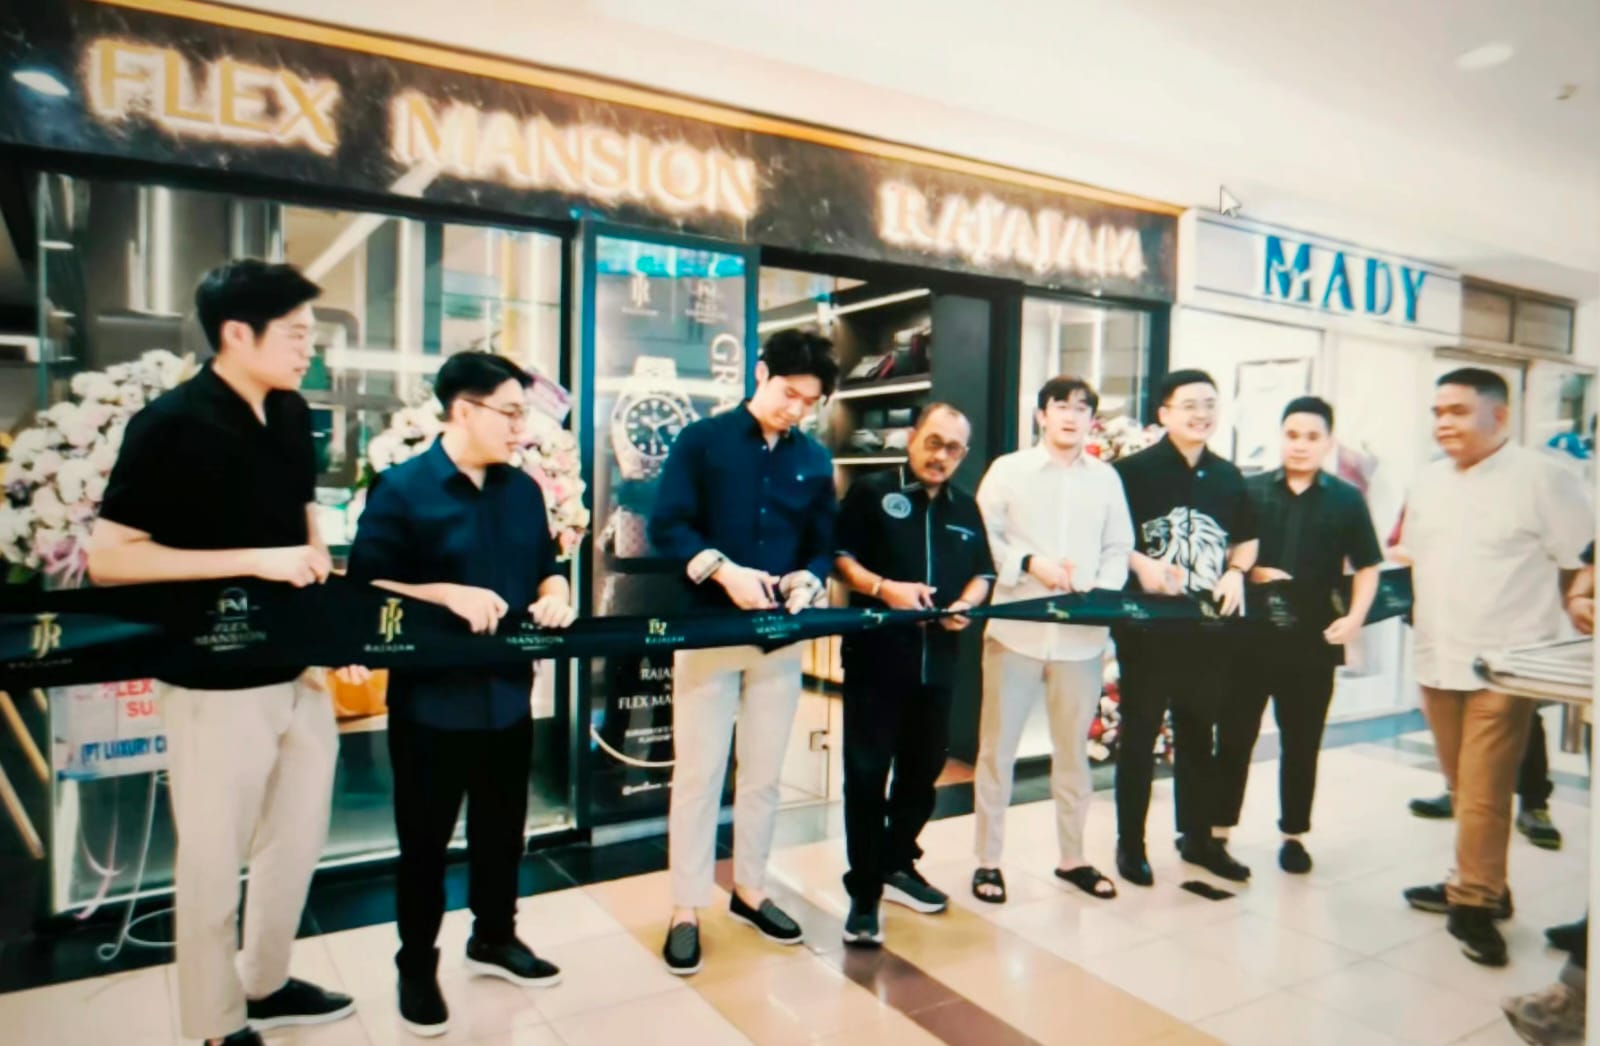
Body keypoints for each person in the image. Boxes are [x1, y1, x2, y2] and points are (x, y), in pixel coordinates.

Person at [87, 260, 355, 1046]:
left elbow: (307, 524)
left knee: (295, 843)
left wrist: (329, 627)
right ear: (238, 333)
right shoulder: (169, 424)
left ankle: (266, 982)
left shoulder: (292, 412)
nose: (310, 349)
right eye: (296, 334)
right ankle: (215, 1022)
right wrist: (254, 561)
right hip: (212, 678)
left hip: (298, 667)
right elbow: (111, 558)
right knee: (212, 860)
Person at [347, 352, 577, 1036]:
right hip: (431, 703)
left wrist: (557, 592)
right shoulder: (401, 489)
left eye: (523, 413)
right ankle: (416, 964)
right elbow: (366, 585)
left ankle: (495, 936)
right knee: (424, 843)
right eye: (510, 412)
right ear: (464, 410)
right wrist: (443, 593)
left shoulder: (524, 490)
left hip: (508, 695)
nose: (520, 427)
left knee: (503, 831)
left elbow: (546, 566)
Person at [648, 329, 840, 975]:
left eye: (809, 401)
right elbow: (668, 524)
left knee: (763, 773)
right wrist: (722, 570)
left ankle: (751, 889)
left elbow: (821, 542)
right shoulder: (702, 440)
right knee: (698, 774)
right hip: (706, 630)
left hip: (778, 637)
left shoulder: (814, 459)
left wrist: (809, 577)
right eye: (788, 393)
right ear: (760, 374)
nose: (795, 409)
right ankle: (685, 906)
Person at [1400, 368, 1594, 968]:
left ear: (1499, 415)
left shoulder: (1545, 478)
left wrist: (1579, 598)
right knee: (1464, 787)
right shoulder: (1427, 480)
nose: (1444, 423)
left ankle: (1475, 903)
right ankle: (1483, 881)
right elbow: (1414, 556)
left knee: (1484, 789)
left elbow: (1583, 556)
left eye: (1458, 411)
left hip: (1505, 665)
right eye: (1437, 412)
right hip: (1436, 656)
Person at [832, 403, 994, 945]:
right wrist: (884, 589)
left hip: (939, 663)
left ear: (963, 455)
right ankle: (864, 890)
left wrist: (967, 604)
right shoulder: (872, 491)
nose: (941, 455)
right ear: (912, 438)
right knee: (866, 774)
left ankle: (897, 862)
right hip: (876, 659)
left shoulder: (966, 507)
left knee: (922, 773)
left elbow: (984, 573)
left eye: (953, 448)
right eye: (933, 441)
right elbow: (840, 558)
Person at [969, 376, 1134, 904]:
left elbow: (1119, 546)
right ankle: (988, 862)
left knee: (1073, 753)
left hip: (1081, 639)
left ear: (1092, 420)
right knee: (997, 752)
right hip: (1014, 631)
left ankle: (1073, 858)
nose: (1070, 416)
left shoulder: (1106, 479)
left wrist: (1098, 592)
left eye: (1081, 408)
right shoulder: (1009, 470)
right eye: (1060, 406)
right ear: (1041, 415)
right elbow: (982, 536)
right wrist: (1028, 563)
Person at [1212, 397, 1382, 874]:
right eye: (1292, 435)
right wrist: (1248, 571)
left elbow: (1368, 565)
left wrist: (1355, 619)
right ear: (1281, 437)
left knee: (1302, 743)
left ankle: (1294, 835)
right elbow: (1226, 553)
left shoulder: (1346, 499)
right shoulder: (1250, 491)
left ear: (1328, 442)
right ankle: (1218, 831)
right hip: (1249, 640)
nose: (1300, 445)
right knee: (1234, 738)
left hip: (1313, 642)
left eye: (1311, 437)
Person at [1112, 369, 1258, 886]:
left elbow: (1247, 537)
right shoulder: (1130, 472)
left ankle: (1198, 839)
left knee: (1199, 735)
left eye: (1210, 404)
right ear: (1164, 413)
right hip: (1147, 629)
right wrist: (1141, 564)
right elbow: (1108, 537)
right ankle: (1131, 845)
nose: (1202, 414)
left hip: (1208, 631)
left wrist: (1237, 572)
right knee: (1139, 737)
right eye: (1190, 404)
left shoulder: (1229, 476)